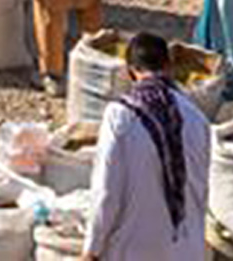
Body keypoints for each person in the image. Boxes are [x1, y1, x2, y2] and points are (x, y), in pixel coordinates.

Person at [82, 29, 214, 261]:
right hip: (185, 248)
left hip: (133, 248)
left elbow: (106, 190)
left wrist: (91, 249)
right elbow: (201, 192)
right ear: (168, 66)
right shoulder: (196, 117)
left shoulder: (120, 116)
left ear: (129, 71)